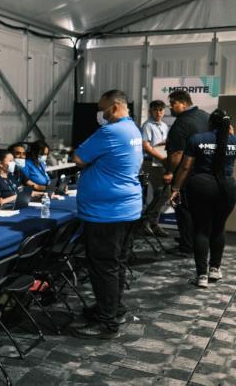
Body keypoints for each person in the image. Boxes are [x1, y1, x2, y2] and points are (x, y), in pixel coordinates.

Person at [71, 90, 142, 339]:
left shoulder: (110, 132)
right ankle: (112, 308)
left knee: (104, 267)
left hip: (107, 214)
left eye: (101, 109)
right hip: (125, 209)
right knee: (116, 265)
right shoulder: (133, 129)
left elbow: (79, 157)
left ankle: (107, 322)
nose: (99, 114)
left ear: (113, 107)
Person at [170, 109, 236, 288]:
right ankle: (215, 269)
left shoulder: (197, 139)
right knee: (218, 228)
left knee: (201, 230)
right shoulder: (234, 140)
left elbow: (185, 168)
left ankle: (202, 276)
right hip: (227, 188)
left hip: (201, 187)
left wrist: (176, 188)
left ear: (210, 123)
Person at [163, 90, 209, 256]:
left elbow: (176, 154)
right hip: (206, 173)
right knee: (199, 211)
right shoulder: (205, 116)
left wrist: (169, 172)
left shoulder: (181, 123)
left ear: (182, 103)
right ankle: (193, 240)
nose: (170, 108)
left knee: (184, 209)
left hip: (186, 175)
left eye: (172, 104)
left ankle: (186, 246)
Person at [140, 100, 170, 237]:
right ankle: (149, 222)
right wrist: (163, 159)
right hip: (151, 162)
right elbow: (146, 146)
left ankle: (150, 222)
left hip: (161, 162)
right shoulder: (147, 125)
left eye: (161, 110)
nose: (159, 113)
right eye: (156, 110)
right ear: (151, 111)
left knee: (163, 193)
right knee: (162, 192)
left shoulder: (164, 126)